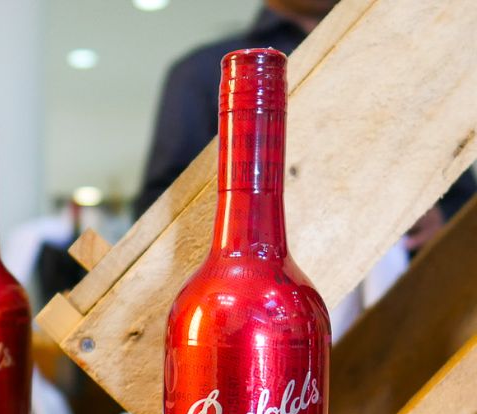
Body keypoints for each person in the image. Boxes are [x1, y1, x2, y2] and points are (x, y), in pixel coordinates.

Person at [135, 0, 476, 251]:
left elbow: (459, 186)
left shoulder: (401, 64)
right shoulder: (203, 72)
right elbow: (158, 206)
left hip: (401, 293)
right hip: (256, 296)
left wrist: (440, 219)